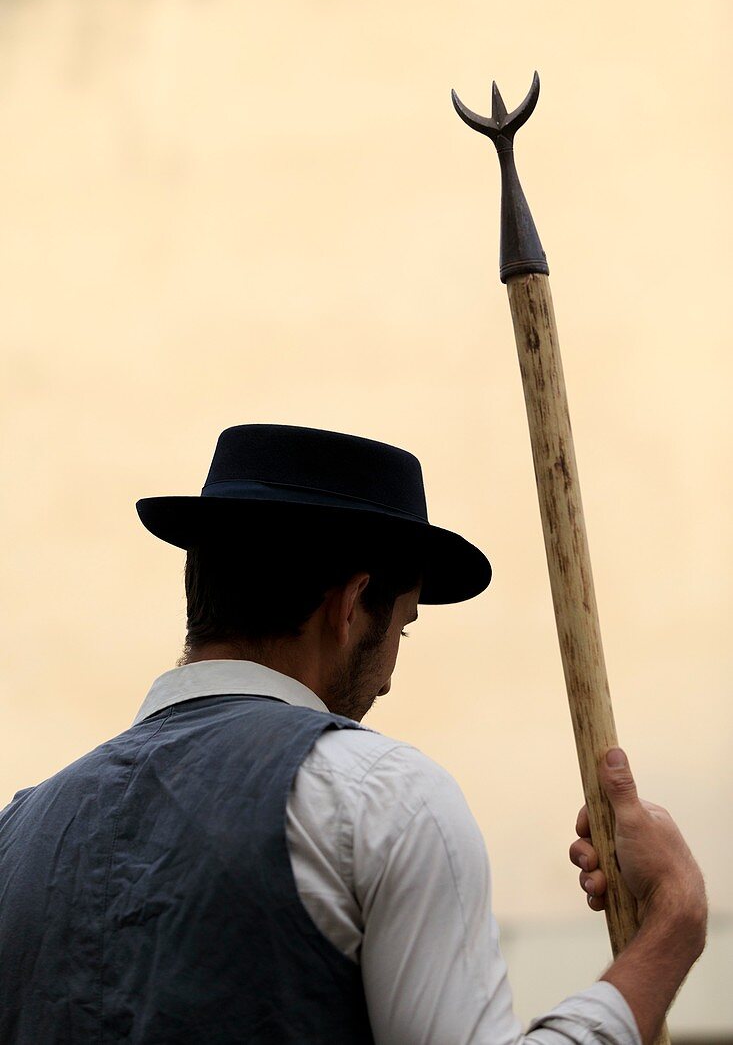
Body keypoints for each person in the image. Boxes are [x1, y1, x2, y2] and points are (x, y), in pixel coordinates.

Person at [0, 424, 706, 1044]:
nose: (389, 679)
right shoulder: (380, 794)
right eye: (399, 629)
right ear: (347, 605)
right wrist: (672, 921)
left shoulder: (17, 833)